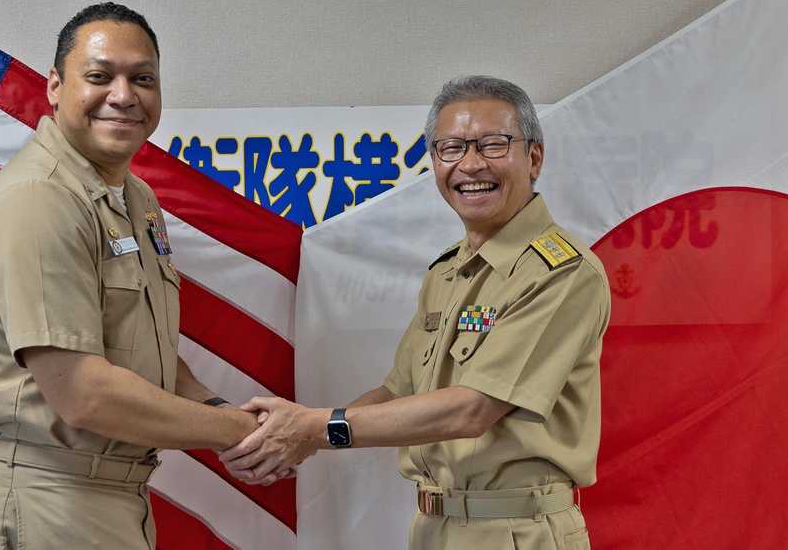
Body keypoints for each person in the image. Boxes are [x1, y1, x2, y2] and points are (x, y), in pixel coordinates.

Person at [221, 75, 611, 549]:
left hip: (516, 531)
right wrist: (306, 437)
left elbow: (473, 409)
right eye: (451, 148)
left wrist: (311, 425)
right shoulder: (447, 273)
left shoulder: (562, 273)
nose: (470, 164)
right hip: (432, 526)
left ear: (533, 157)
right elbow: (395, 391)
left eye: (492, 144)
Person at [0, 2, 258, 549]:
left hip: (109, 494)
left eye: (142, 78)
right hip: (48, 496)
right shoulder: (42, 196)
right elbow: (82, 394)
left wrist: (218, 409)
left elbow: (141, 346)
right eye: (99, 76)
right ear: (54, 85)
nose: (123, 95)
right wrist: (244, 434)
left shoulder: (134, 197)